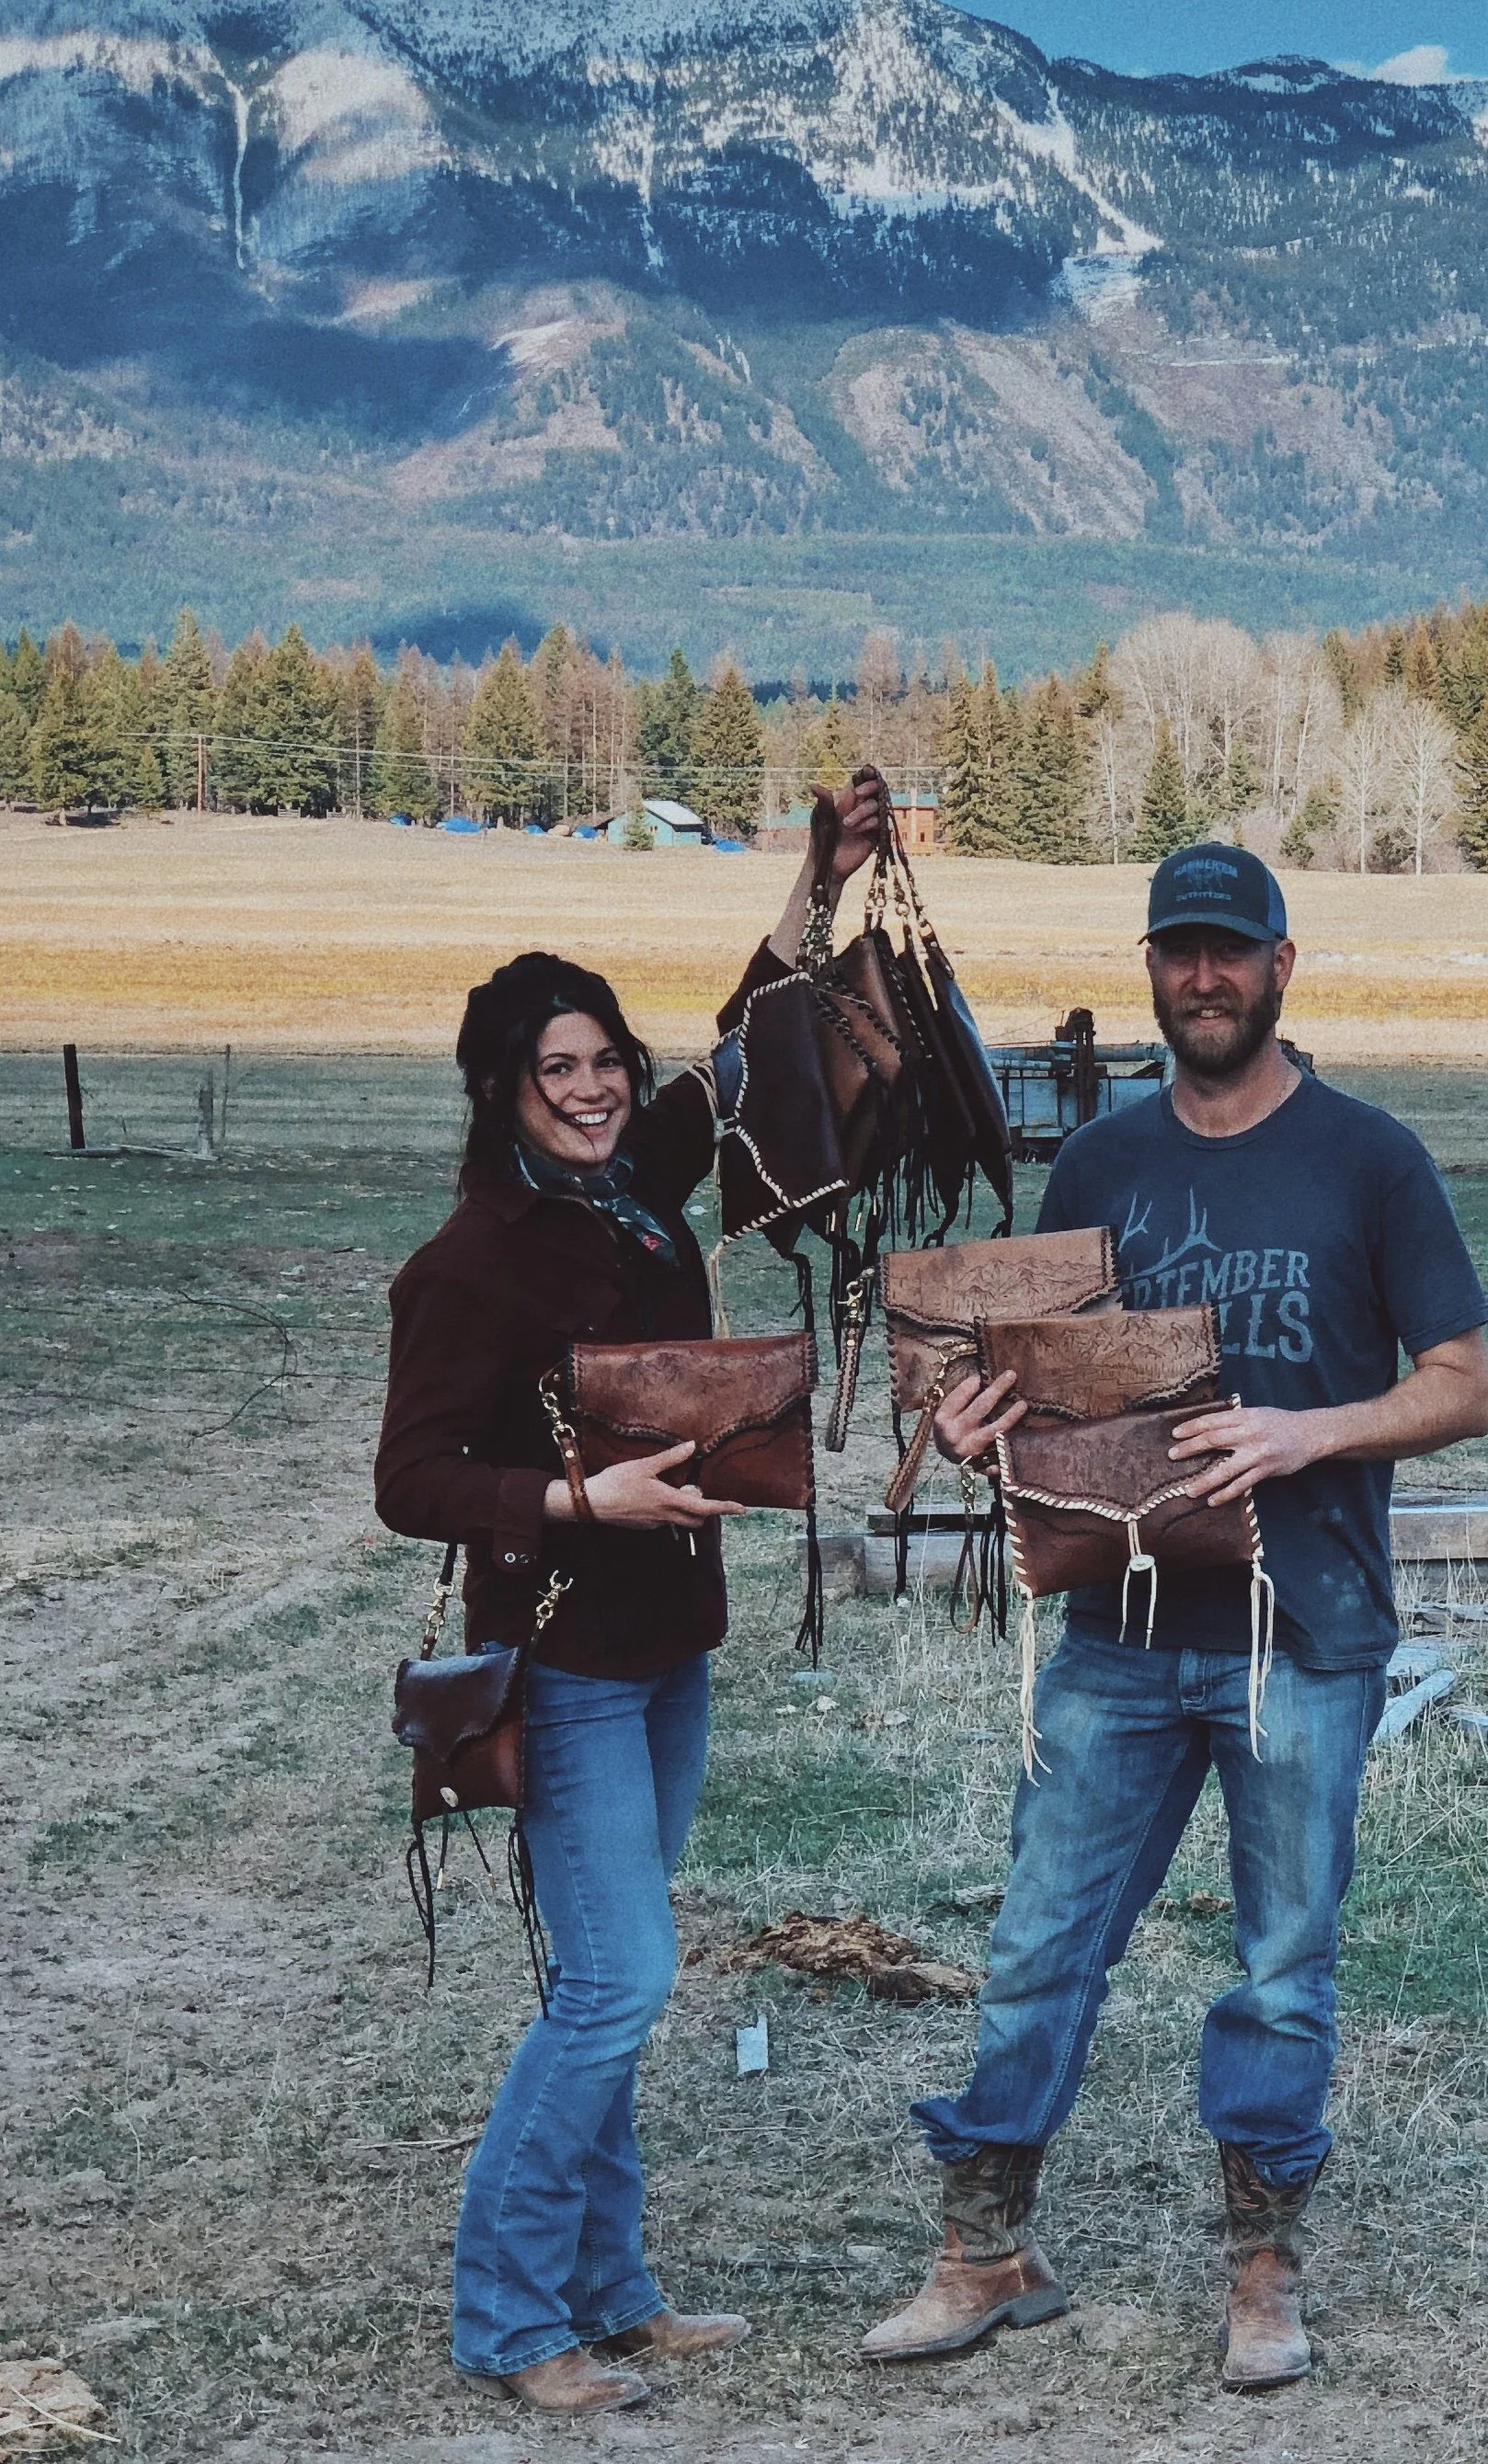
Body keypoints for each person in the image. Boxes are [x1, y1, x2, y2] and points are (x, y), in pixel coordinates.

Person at [862, 841, 1488, 2390]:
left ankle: (1262, 2269)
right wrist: (967, 1422)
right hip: (1122, 1639)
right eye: (1176, 951)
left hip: (1307, 1632)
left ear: (1282, 966)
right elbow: (1044, 1397)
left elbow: (1466, 1387)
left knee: (1281, 1962)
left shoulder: (1369, 1160)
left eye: (1228, 951)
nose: (1200, 977)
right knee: (1036, 1946)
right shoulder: (1102, 1169)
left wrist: (1306, 1433)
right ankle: (986, 2249)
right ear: (1150, 968)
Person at [374, 781, 884, 2417]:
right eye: (558, 1070)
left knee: (616, 1971)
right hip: (564, 1656)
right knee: (615, 1986)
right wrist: (571, 1496)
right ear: (502, 1090)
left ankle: (614, 2289)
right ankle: (516, 2320)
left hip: (671, 1648)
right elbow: (408, 1478)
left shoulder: (639, 1182)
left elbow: (741, 1044)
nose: (594, 1090)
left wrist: (819, 880)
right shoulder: (472, 1261)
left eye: (602, 1060)